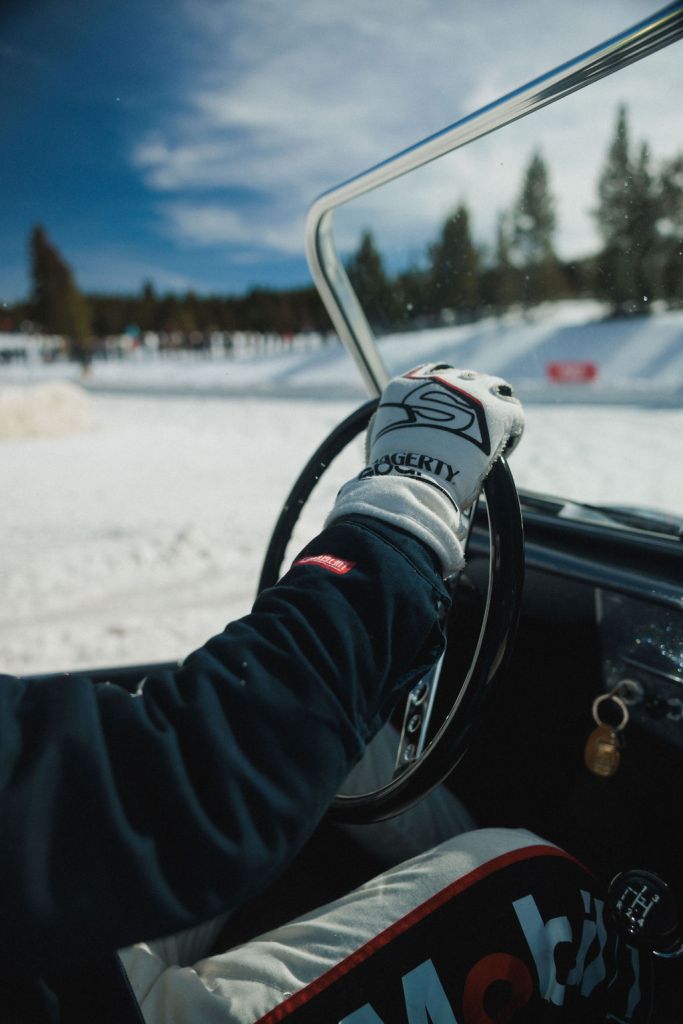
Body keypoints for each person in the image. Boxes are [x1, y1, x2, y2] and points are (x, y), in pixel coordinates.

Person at [0, 365, 649, 1022]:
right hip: (77, 995)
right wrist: (410, 499)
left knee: (332, 747)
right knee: (543, 893)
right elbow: (180, 786)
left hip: (43, 950)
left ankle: (451, 888)